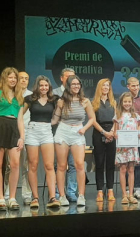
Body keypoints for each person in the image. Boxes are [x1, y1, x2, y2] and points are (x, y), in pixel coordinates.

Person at [52, 75, 95, 206]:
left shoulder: (85, 101)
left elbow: (92, 119)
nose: (76, 86)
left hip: (78, 132)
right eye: (73, 84)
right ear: (68, 86)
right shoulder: (61, 101)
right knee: (61, 166)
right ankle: (62, 196)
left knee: (79, 165)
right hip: (63, 131)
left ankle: (81, 195)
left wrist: (84, 129)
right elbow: (55, 120)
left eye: (78, 84)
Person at [0, 67, 25, 210]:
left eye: (15, 78)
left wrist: (22, 137)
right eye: (10, 77)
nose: (13, 80)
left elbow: (20, 119)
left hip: (13, 128)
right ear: (4, 78)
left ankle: (12, 197)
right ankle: (0, 199)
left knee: (15, 164)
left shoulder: (19, 96)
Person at [23, 75, 60, 208]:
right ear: (37, 87)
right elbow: (19, 114)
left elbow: (60, 113)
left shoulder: (54, 99)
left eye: (46, 85)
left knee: (49, 165)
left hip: (47, 131)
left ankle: (52, 197)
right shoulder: (30, 99)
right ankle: (35, 197)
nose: (44, 88)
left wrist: (54, 121)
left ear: (49, 87)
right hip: (32, 131)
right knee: (33, 165)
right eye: (41, 85)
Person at [4, 71, 32, 205]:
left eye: (26, 79)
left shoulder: (32, 96)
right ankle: (8, 194)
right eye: (21, 78)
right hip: (11, 133)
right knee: (10, 165)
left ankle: (27, 195)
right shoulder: (10, 94)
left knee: (26, 165)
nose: (24, 81)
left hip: (27, 133)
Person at [53, 68, 77, 202]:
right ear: (62, 78)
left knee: (73, 165)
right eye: (68, 77)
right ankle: (58, 193)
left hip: (74, 134)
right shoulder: (55, 93)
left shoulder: (77, 93)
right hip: (60, 133)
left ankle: (71, 192)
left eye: (73, 77)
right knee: (59, 165)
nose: (70, 80)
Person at [113, 92, 140, 204]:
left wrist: (139, 134)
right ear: (121, 102)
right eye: (125, 101)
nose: (127, 104)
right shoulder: (118, 115)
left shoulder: (135, 115)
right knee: (123, 169)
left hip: (132, 148)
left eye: (129, 101)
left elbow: (138, 129)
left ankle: (131, 194)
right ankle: (124, 195)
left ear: (132, 102)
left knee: (131, 169)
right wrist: (116, 135)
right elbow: (115, 131)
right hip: (122, 148)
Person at [91, 78, 117, 202]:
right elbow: (93, 121)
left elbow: (117, 119)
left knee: (110, 164)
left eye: (108, 85)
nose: (106, 88)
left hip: (111, 133)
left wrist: (112, 132)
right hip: (98, 133)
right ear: (99, 88)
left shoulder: (114, 102)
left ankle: (110, 190)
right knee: (100, 163)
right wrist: (104, 132)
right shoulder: (93, 103)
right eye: (103, 85)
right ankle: (100, 191)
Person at [126, 77, 140, 199]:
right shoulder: (124, 99)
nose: (136, 88)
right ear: (128, 86)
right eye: (133, 86)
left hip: (139, 133)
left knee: (138, 161)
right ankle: (127, 190)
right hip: (126, 134)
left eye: (137, 85)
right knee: (127, 162)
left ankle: (137, 188)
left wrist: (138, 130)